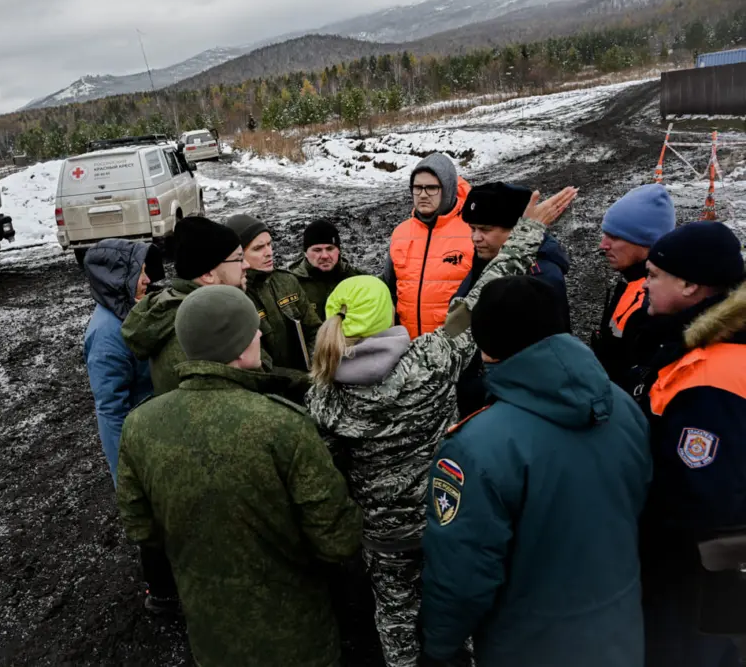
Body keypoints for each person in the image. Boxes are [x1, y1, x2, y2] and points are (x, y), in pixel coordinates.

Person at [307, 188, 576, 667]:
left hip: (382, 533)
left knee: (393, 614)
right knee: (455, 599)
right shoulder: (432, 358)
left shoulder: (323, 395)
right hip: (444, 516)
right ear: (387, 314)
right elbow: (480, 298)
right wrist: (529, 230)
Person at [116, 285, 363, 667]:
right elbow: (337, 540)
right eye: (252, 330)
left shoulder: (139, 425)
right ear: (236, 345)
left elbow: (142, 530)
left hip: (210, 635)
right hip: (297, 637)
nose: (260, 334)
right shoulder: (283, 425)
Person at [417, 275, 652, 667]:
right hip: (620, 626)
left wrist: (439, 647)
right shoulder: (620, 405)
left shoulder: (476, 447)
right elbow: (638, 497)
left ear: (486, 345)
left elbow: (462, 570)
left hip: (530, 642)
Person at [626, 221, 746, 667]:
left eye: (654, 275)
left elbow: (703, 495)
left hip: (691, 573)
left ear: (691, 285)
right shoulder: (701, 345)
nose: (644, 284)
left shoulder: (708, 377)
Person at [452, 181, 573, 416]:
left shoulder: (542, 276)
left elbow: (548, 352)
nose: (475, 238)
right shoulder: (485, 259)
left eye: (485, 230)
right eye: (472, 229)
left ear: (516, 230)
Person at [121, 216, 248, 395]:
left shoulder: (188, 308)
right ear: (208, 275)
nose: (246, 265)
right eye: (239, 259)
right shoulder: (195, 326)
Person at [82, 239, 164, 483]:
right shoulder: (107, 336)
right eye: (139, 274)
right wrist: (127, 477)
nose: (148, 280)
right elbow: (110, 412)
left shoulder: (130, 314)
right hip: (144, 442)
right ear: (116, 281)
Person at [590, 183, 676, 390]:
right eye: (605, 234)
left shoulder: (655, 302)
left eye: (615, 237)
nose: (603, 245)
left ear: (647, 241)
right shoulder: (632, 285)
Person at [382, 153, 473, 338]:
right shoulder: (400, 233)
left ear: (447, 189)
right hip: (408, 350)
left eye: (431, 188)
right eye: (417, 188)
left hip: (454, 351)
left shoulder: (472, 232)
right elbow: (389, 290)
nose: (423, 195)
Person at [226, 214, 323, 372]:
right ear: (238, 255)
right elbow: (255, 363)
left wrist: (314, 366)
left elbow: (315, 331)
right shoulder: (235, 297)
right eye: (258, 248)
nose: (269, 252)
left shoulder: (287, 281)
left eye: (269, 244)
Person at [288, 219, 367, 321]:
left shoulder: (358, 280)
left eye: (330, 249)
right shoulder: (291, 285)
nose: (325, 256)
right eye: (317, 250)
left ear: (338, 250)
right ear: (305, 253)